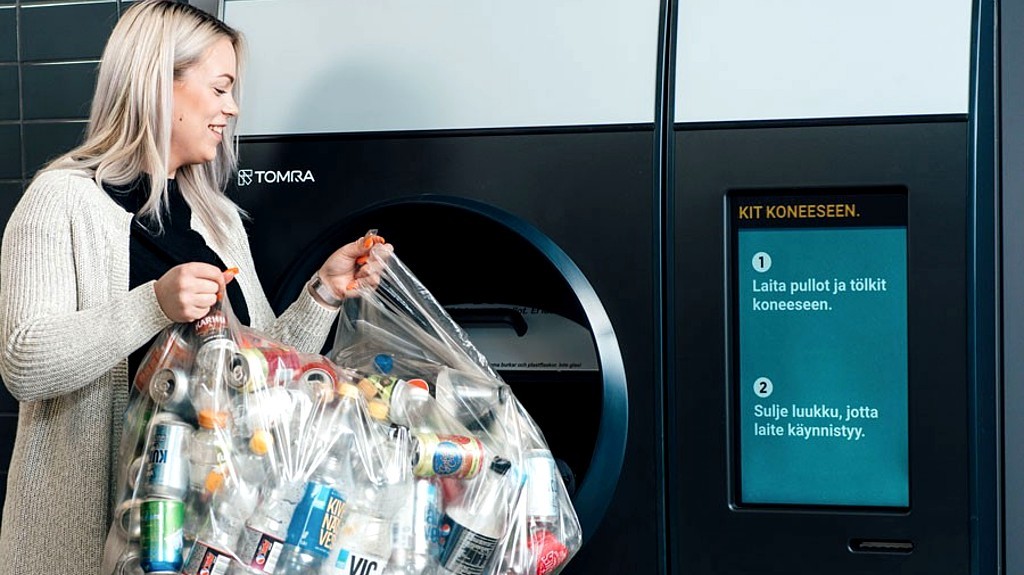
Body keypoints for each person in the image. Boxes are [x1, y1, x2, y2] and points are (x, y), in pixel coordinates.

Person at [0, 2, 390, 573]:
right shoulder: (60, 201)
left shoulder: (217, 219)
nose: (232, 109)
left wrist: (324, 293)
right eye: (220, 88)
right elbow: (22, 363)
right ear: (159, 85)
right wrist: (152, 304)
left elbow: (256, 369)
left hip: (201, 541)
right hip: (84, 548)